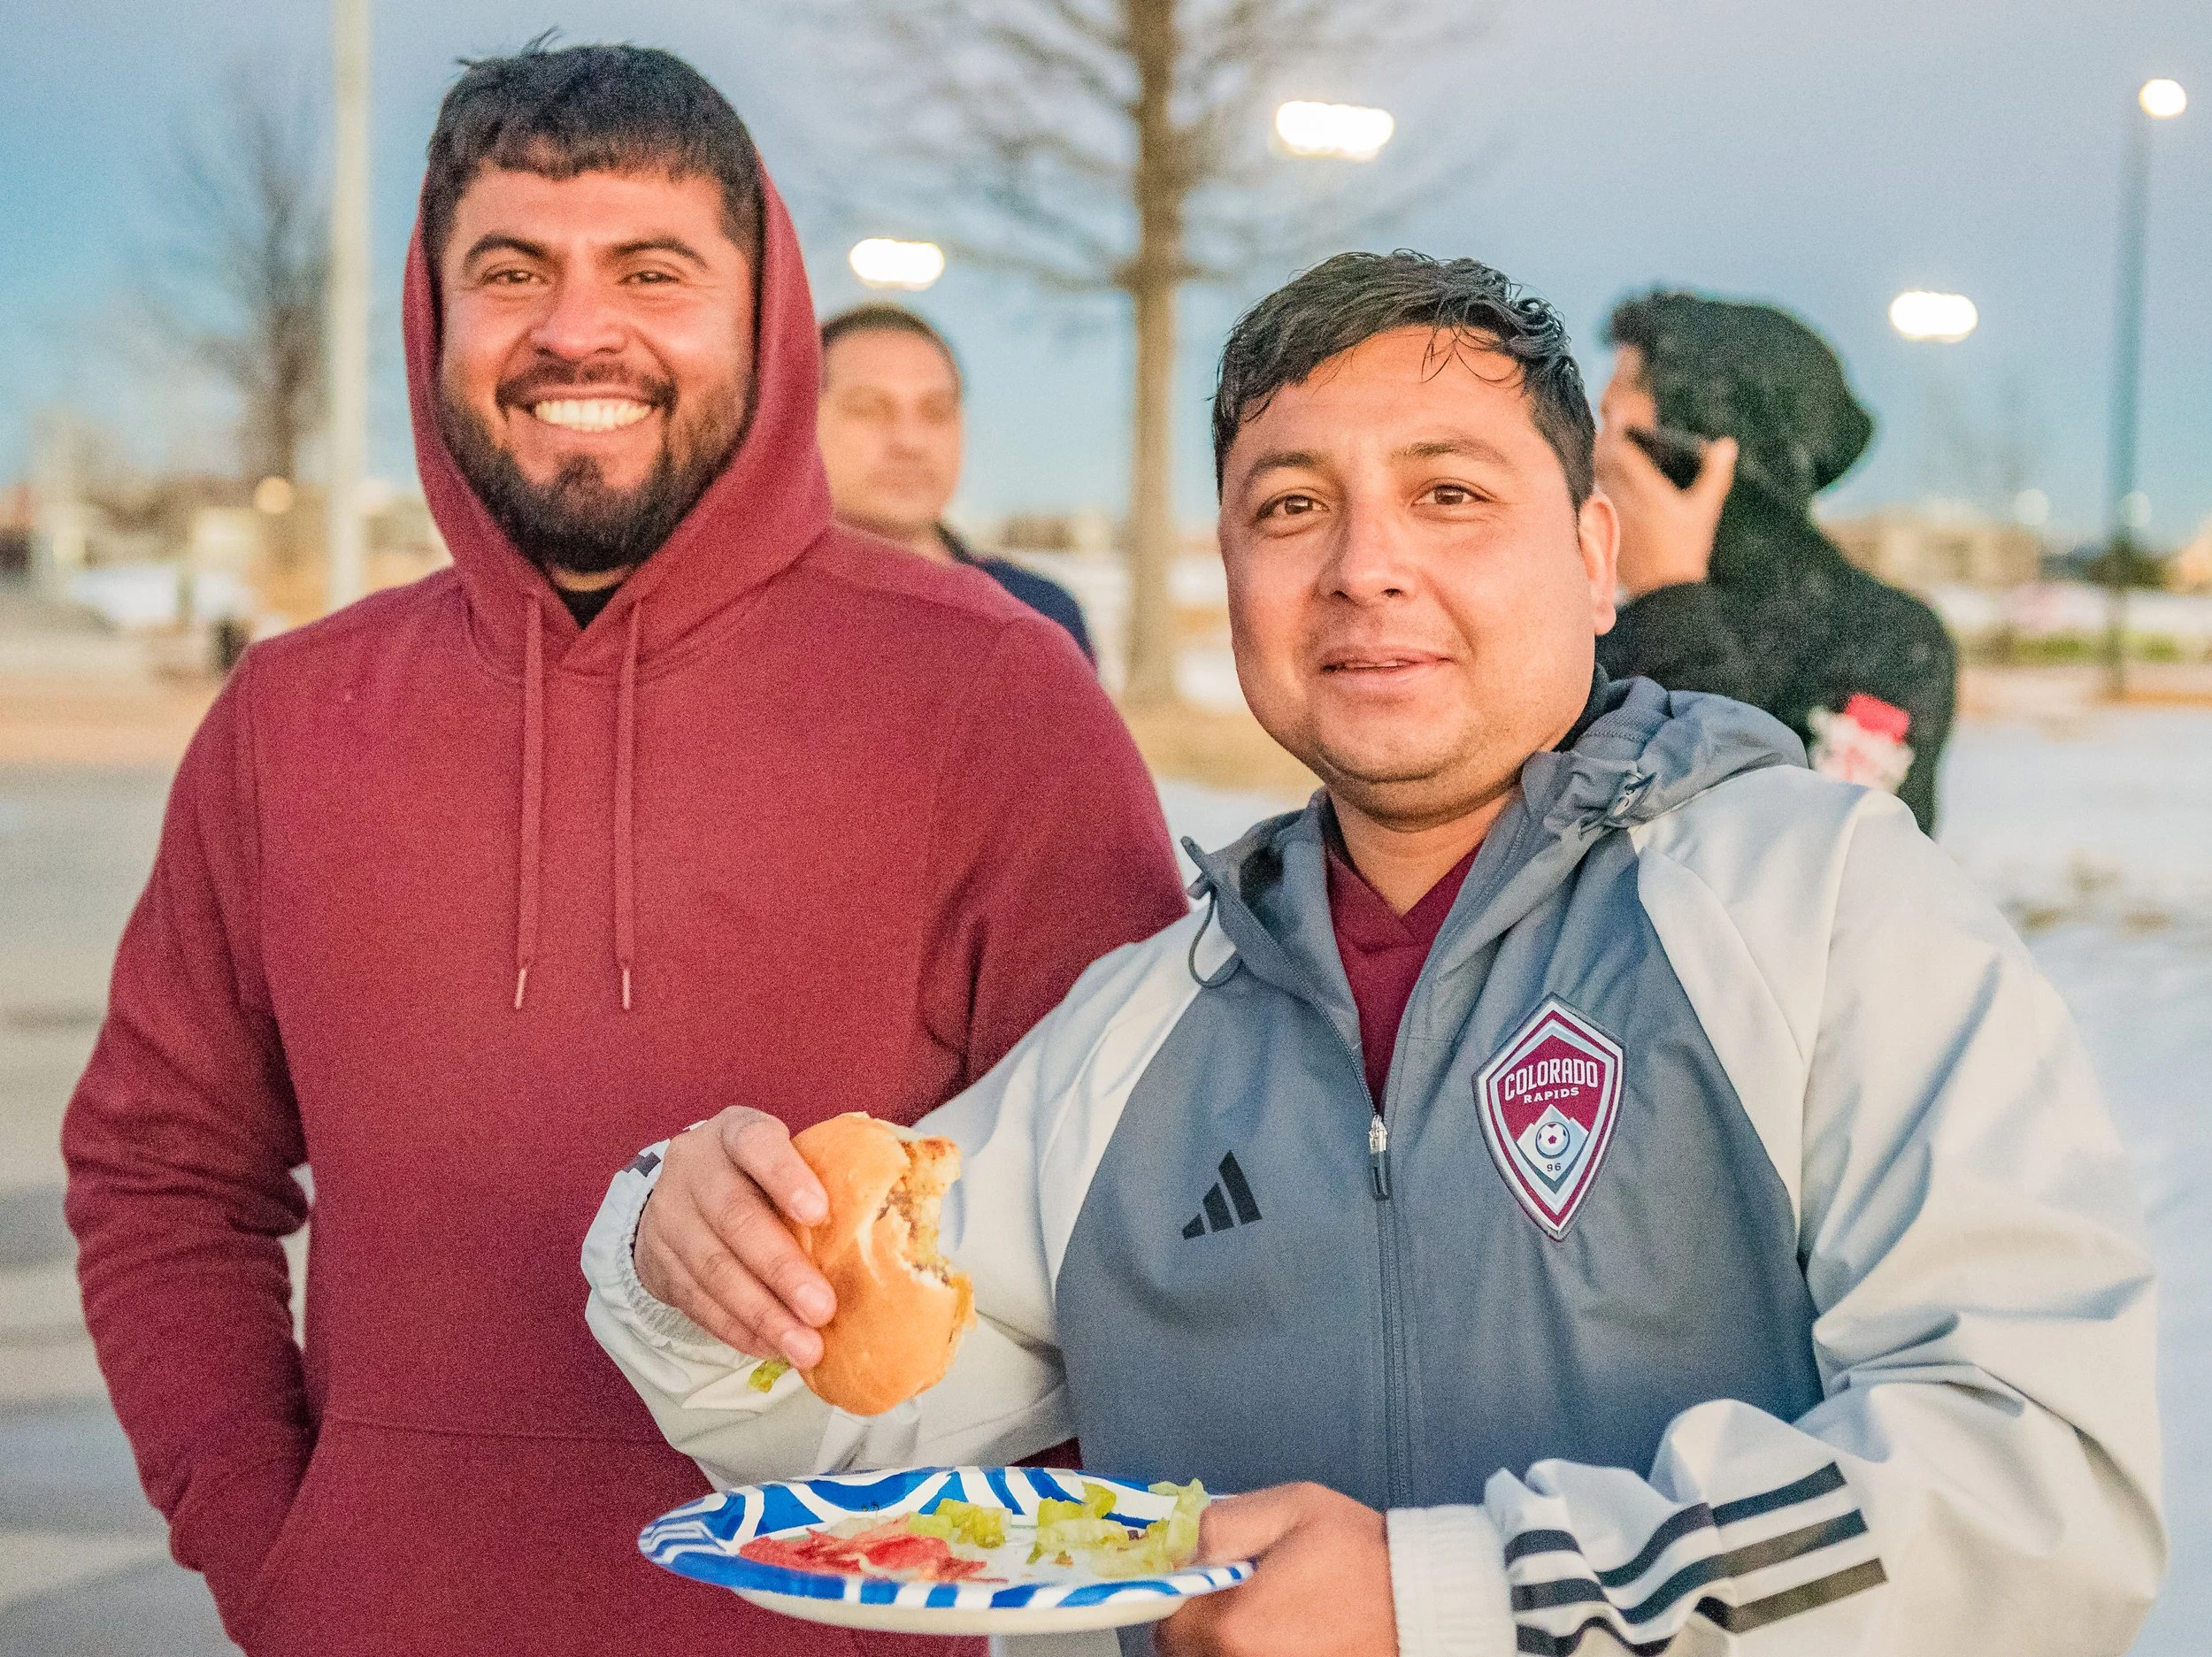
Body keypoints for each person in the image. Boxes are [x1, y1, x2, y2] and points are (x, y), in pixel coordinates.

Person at [585, 252, 2162, 1657]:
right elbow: (866, 1426)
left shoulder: (1819, 902)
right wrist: (690, 1262)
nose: (1363, 565)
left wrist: (1453, 1600)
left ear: (1596, 557)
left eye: (1450, 494)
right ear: (1232, 576)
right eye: (1291, 507)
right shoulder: (1144, 1020)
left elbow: (2041, 1485)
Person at [62, 42, 1186, 1657]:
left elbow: (1141, 1234)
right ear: (431, 315)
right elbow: (163, 1171)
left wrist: (966, 1594)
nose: (577, 330)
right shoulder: (291, 717)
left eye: (652, 272)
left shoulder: (995, 696)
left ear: (764, 313)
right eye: (512, 271)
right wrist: (277, 1552)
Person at [1593, 292, 1956, 832]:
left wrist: (1670, 604)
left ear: (1697, 448)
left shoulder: (1884, 638)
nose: (1596, 456)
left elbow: (1792, 847)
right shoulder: (1590, 621)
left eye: (1613, 425)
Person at [818, 303, 1095, 659]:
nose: (910, 442)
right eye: (870, 409)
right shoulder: (766, 613)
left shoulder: (1037, 615)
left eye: (936, 412)